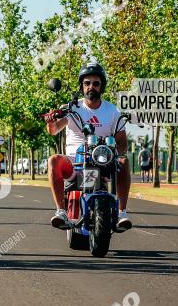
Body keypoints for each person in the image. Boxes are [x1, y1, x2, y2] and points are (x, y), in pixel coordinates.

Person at [44, 63, 132, 231]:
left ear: (102, 86)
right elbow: (54, 130)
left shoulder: (112, 110)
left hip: (103, 162)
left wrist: (115, 154)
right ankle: (61, 211)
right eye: (87, 83)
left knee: (123, 161)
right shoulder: (71, 108)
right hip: (74, 163)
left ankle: (122, 212)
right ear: (82, 86)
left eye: (96, 83)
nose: (91, 86)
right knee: (53, 160)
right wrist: (50, 122)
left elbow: (122, 142)